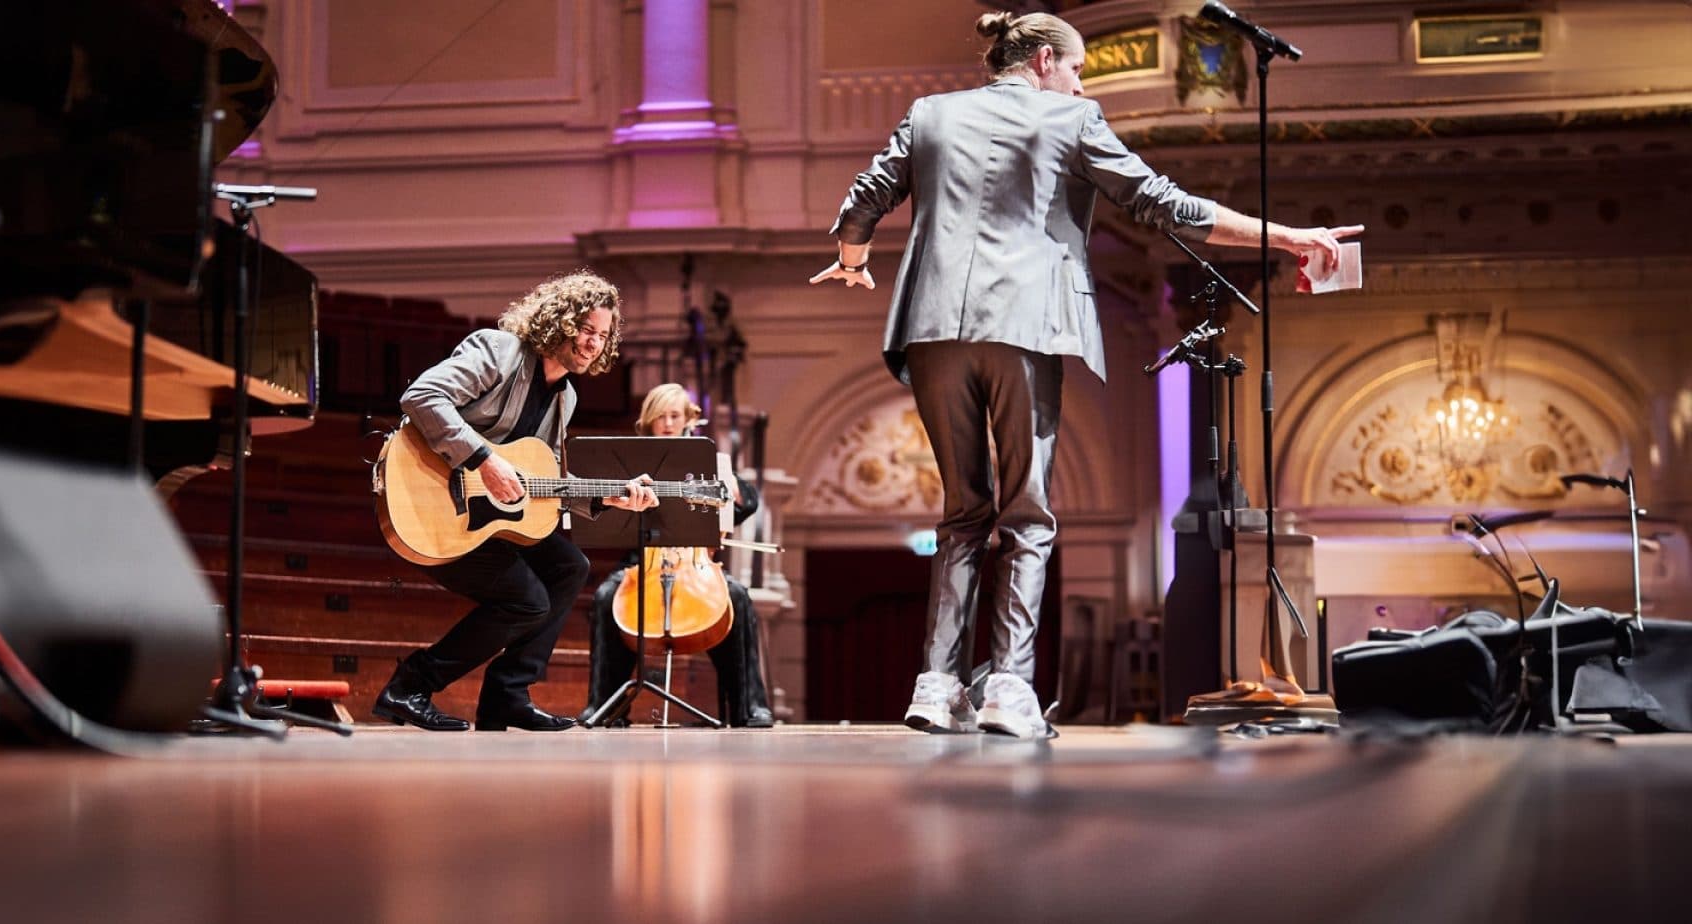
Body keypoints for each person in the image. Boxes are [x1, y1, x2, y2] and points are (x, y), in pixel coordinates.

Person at [811, 11, 1362, 738]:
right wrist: (1288, 236)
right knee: (1029, 515)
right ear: (1044, 60)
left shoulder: (930, 113)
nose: (1080, 82)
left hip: (933, 329)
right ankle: (1009, 686)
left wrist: (853, 259)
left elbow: (867, 195)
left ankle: (937, 685)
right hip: (1024, 326)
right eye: (1076, 69)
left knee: (962, 513)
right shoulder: (1073, 119)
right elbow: (1166, 205)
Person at [374, 270, 659, 732]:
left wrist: (608, 498)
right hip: (429, 504)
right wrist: (484, 460)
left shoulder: (565, 397)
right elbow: (422, 395)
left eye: (602, 336)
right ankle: (410, 685)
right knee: (527, 601)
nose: (593, 344)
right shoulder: (498, 352)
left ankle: (507, 697)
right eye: (586, 330)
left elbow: (543, 481)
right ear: (560, 322)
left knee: (569, 567)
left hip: (483, 518)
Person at [576, 384, 776, 728]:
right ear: (648, 421)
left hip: (694, 564)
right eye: (660, 417)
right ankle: (606, 705)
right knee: (608, 596)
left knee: (738, 599)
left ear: (688, 420)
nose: (667, 423)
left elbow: (749, 502)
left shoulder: (704, 461)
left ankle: (749, 706)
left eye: (675, 416)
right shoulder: (630, 462)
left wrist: (733, 489)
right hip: (642, 562)